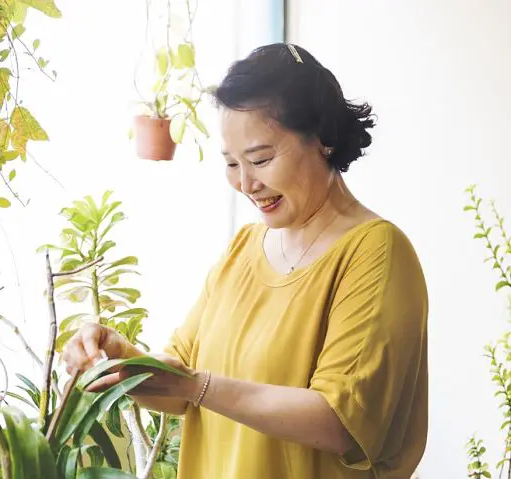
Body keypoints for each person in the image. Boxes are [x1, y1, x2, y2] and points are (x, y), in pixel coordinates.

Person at [62, 43, 428, 479]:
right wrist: (123, 361)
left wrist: (198, 387)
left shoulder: (375, 251)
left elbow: (338, 419)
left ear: (323, 139)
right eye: (232, 163)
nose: (246, 183)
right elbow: (179, 388)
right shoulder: (243, 249)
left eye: (261, 159)